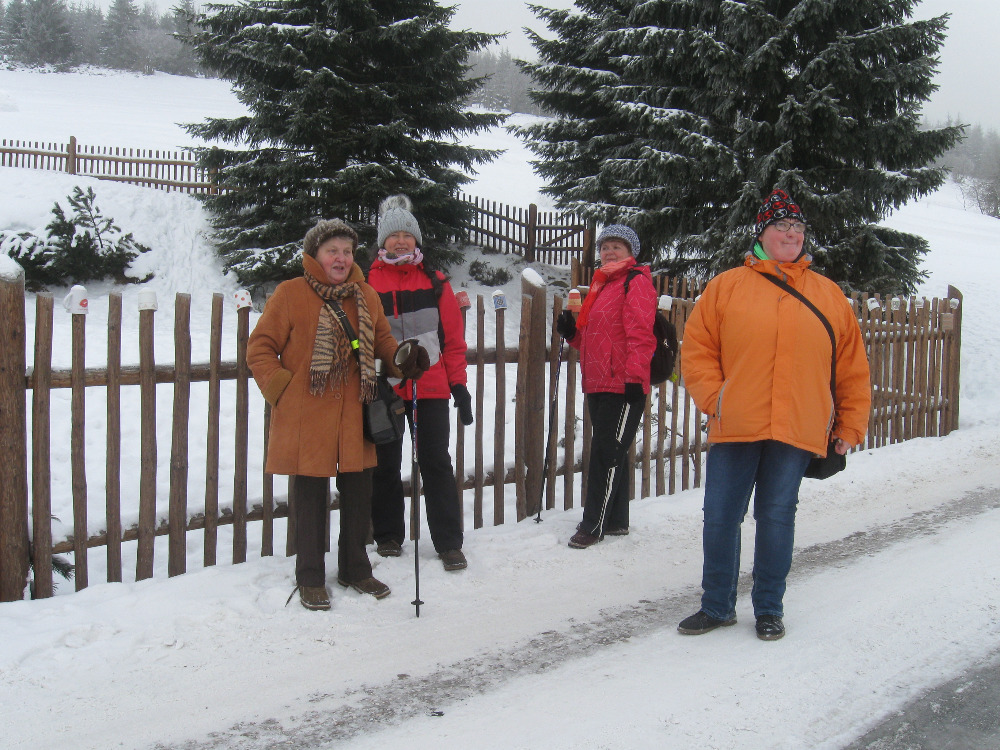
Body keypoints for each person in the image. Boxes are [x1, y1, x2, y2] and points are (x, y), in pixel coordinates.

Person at [677, 188, 871, 640]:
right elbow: (698, 351)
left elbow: (851, 366)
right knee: (720, 515)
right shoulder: (726, 286)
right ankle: (716, 605)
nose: (791, 234)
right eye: (781, 225)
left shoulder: (827, 294)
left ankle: (769, 608)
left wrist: (849, 425)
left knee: (777, 516)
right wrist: (717, 399)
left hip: (797, 424)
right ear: (761, 233)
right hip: (737, 422)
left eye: (797, 227)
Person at [247, 218, 428, 611]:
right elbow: (259, 347)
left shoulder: (366, 295)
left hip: (355, 411)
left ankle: (355, 569)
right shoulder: (290, 293)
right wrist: (283, 389)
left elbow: (383, 342)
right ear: (315, 255)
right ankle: (310, 576)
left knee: (359, 493)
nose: (341, 258)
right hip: (307, 413)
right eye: (333, 251)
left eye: (347, 251)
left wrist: (403, 359)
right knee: (310, 496)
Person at [367, 195, 474, 572]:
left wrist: (458, 386)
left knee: (436, 463)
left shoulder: (435, 281)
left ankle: (448, 542)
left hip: (429, 390)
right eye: (394, 235)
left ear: (416, 240)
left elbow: (453, 341)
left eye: (407, 236)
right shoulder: (367, 283)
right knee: (385, 465)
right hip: (386, 390)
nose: (401, 242)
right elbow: (362, 339)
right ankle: (388, 536)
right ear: (383, 241)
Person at [556, 224, 657, 549]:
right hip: (598, 382)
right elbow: (596, 340)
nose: (609, 252)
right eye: (605, 247)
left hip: (623, 384)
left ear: (631, 252)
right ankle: (615, 521)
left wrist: (635, 379)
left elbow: (641, 335)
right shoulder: (603, 286)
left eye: (617, 246)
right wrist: (572, 333)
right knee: (612, 450)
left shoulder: (635, 282)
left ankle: (593, 525)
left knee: (606, 453)